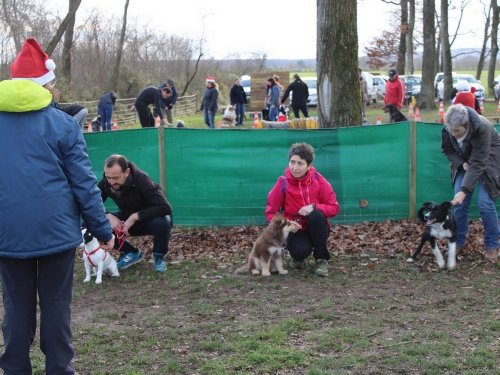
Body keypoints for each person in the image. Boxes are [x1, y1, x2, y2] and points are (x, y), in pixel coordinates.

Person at [0, 37, 114, 374]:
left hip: (8, 234)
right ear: (45, 85)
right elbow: (84, 185)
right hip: (56, 233)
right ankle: (59, 368)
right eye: (52, 82)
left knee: (16, 308)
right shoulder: (64, 125)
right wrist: (102, 229)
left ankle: (15, 368)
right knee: (56, 306)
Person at [265, 143, 340, 277]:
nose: (295, 167)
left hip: (317, 227)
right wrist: (286, 223)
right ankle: (298, 258)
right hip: (296, 229)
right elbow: (270, 212)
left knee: (316, 215)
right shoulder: (282, 183)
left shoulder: (319, 180)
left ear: (309, 166)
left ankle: (321, 260)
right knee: (299, 252)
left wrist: (314, 206)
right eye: (292, 162)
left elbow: (334, 207)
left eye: (300, 163)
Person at [441, 104, 500, 263]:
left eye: (457, 131)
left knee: (485, 203)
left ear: (467, 126)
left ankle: (492, 244)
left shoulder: (482, 128)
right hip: (466, 160)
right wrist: (461, 163)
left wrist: (464, 190)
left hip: (489, 159)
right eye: (451, 130)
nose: (453, 134)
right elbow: (448, 150)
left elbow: (479, 162)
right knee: (460, 204)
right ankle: (458, 242)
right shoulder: (449, 128)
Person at [98, 154, 173, 272]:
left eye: (115, 178)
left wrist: (134, 217)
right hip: (125, 219)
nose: (111, 182)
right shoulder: (106, 182)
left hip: (149, 219)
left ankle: (158, 257)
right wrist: (107, 215)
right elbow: (92, 205)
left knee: (164, 221)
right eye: (108, 177)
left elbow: (165, 207)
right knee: (94, 223)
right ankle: (130, 252)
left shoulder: (142, 179)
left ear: (126, 172)